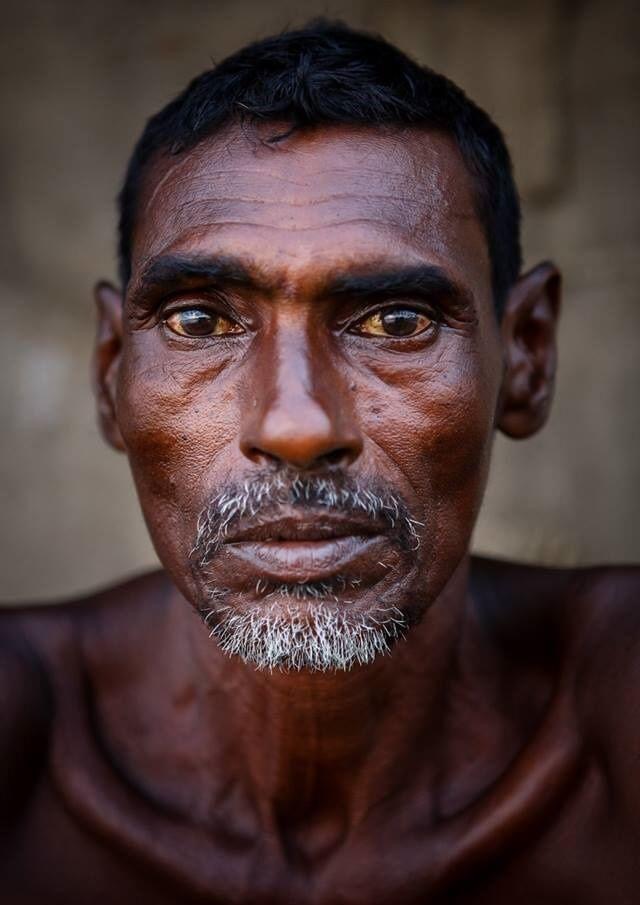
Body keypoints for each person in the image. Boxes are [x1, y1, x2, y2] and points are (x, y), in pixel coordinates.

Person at [1, 19, 638, 904]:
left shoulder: (613, 706)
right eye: (198, 321)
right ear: (112, 373)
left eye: (396, 321)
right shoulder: (24, 736)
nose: (296, 425)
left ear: (526, 354)